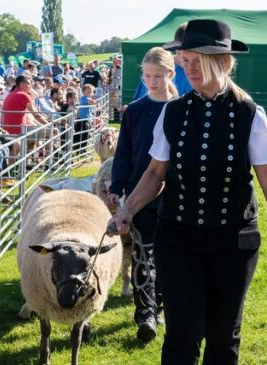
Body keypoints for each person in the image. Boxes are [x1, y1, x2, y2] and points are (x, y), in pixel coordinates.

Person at [107, 19, 267, 364]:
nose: (190, 69)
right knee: (181, 335)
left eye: (197, 61)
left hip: (233, 241)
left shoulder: (250, 114)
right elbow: (156, 172)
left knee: (222, 336)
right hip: (179, 238)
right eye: (185, 61)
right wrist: (128, 208)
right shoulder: (173, 112)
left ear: (223, 61)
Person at [107, 47, 177, 343]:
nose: (152, 81)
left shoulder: (181, 108)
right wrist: (116, 187)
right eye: (147, 76)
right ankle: (145, 313)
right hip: (139, 193)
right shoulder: (135, 111)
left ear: (171, 75)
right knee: (142, 254)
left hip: (175, 195)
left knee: (168, 256)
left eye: (158, 76)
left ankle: (160, 306)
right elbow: (123, 153)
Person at [134, 23, 192, 100]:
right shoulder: (158, 69)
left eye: (190, 54)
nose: (183, 58)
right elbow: (141, 106)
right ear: (175, 48)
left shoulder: (203, 75)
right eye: (179, 53)